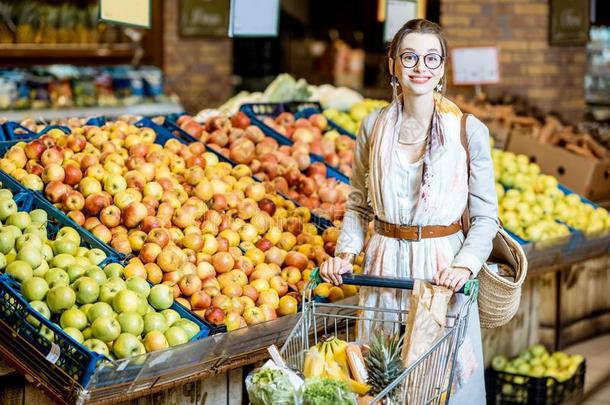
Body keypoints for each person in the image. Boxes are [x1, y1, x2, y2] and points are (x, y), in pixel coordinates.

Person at [319, 19, 498, 403]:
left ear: (443, 67)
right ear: (393, 65)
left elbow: (485, 217)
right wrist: (346, 254)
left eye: (432, 58)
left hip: (442, 269)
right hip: (385, 264)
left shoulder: (468, 131)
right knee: (379, 376)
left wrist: (464, 264)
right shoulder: (372, 127)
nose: (421, 67)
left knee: (441, 382)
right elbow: (358, 202)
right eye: (410, 56)